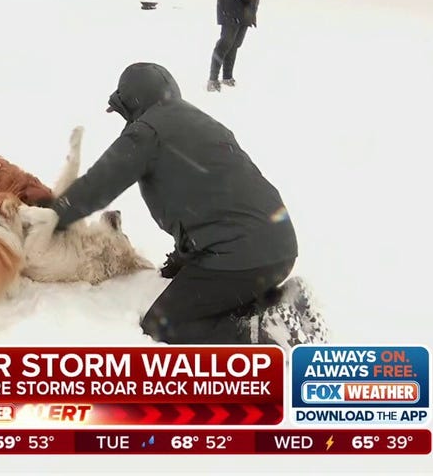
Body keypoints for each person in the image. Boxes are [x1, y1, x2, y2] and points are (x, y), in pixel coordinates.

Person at [46, 62, 320, 348]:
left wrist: (52, 216)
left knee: (163, 326)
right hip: (278, 249)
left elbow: (97, 185)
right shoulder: (204, 124)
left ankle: (263, 332)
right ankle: (279, 304)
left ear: (132, 104)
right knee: (206, 299)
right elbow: (210, 205)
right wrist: (180, 261)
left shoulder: (147, 132)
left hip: (241, 259)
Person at [207, 0, 278, 92]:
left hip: (246, 9)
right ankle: (213, 79)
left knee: (235, 43)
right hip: (231, 6)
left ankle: (227, 76)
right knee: (226, 42)